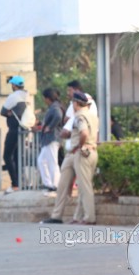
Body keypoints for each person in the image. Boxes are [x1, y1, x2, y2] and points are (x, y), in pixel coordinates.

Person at [42, 91, 98, 225]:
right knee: (64, 184)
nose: (72, 104)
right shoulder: (91, 115)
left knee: (84, 187)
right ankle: (59, 216)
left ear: (77, 103)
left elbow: (84, 133)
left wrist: (79, 145)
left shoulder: (80, 116)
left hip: (81, 152)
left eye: (73, 102)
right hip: (76, 153)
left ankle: (89, 217)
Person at [0, 76, 31, 192]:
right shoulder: (27, 95)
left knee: (7, 156)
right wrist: (11, 112)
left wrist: (10, 112)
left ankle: (15, 184)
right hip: (24, 129)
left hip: (14, 130)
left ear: (13, 85)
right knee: (18, 156)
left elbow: (2, 112)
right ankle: (21, 183)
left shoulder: (14, 96)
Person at [36, 87, 63, 194]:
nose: (43, 100)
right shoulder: (54, 106)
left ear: (48, 98)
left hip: (52, 138)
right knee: (41, 161)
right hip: (49, 139)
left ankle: (56, 184)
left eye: (44, 98)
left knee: (52, 162)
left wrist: (50, 127)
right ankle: (48, 183)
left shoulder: (55, 107)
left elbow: (58, 116)